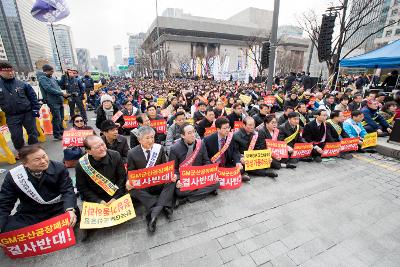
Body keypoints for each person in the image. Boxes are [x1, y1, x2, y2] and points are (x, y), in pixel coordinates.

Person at [0, 145, 77, 233]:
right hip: (31, 213)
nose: (43, 161)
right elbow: (4, 202)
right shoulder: (14, 176)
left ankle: (41, 230)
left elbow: (67, 190)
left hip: (57, 209)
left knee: (73, 215)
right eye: (37, 159)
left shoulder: (59, 167)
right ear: (25, 164)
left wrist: (70, 209)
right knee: (7, 228)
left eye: (44, 156)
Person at [126, 126, 176, 232]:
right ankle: (164, 205)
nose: (150, 140)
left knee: (172, 182)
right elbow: (130, 172)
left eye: (152, 137)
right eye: (147, 138)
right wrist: (128, 181)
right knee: (132, 190)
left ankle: (153, 213)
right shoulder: (132, 153)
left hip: (158, 182)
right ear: (139, 140)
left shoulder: (159, 148)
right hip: (144, 186)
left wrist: (171, 174)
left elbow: (165, 166)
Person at [169, 123, 219, 206]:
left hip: (199, 176)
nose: (193, 135)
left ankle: (186, 199)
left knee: (216, 183)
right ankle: (205, 191)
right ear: (182, 135)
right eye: (189, 133)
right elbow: (174, 169)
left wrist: (210, 174)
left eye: (194, 132)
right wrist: (178, 180)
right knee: (179, 191)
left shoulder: (201, 144)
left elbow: (206, 160)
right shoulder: (174, 148)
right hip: (185, 178)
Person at [0, 61, 40, 158]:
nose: (10, 73)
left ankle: (33, 150)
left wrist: (35, 109)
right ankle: (21, 151)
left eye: (11, 70)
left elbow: (33, 97)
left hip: (27, 113)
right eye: (6, 71)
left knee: (32, 133)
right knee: (16, 136)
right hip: (11, 115)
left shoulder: (22, 84)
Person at [37, 64, 68, 140]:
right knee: (57, 117)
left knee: (61, 117)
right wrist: (61, 93)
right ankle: (57, 134)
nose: (53, 72)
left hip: (59, 99)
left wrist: (64, 75)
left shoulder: (52, 78)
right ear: (46, 71)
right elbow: (48, 89)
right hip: (52, 101)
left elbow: (60, 83)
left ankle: (61, 131)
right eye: (51, 70)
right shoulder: (43, 79)